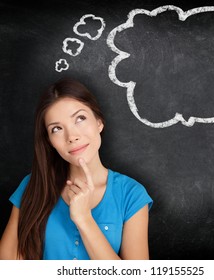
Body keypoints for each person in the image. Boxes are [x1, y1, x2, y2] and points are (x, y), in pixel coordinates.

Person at [0, 77, 153, 260]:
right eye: (56, 129)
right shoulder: (31, 186)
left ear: (99, 122)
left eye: (80, 118)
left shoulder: (131, 194)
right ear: (49, 141)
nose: (72, 136)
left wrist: (84, 219)